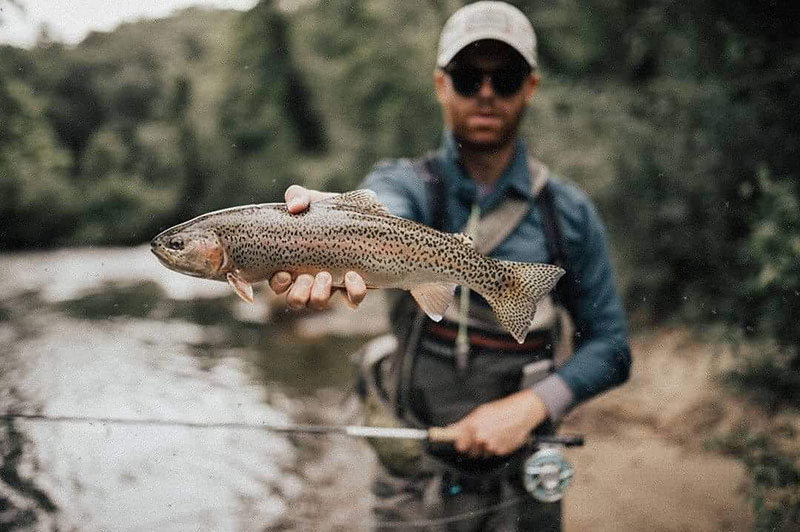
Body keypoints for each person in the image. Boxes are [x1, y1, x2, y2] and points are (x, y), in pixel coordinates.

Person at [269, 2, 631, 530]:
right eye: (467, 77)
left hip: (525, 475)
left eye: (504, 78)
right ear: (441, 85)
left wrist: (533, 405)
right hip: (415, 480)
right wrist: (340, 224)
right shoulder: (408, 184)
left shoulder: (567, 214)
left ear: (530, 87)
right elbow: (387, 203)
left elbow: (612, 347)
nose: (485, 92)